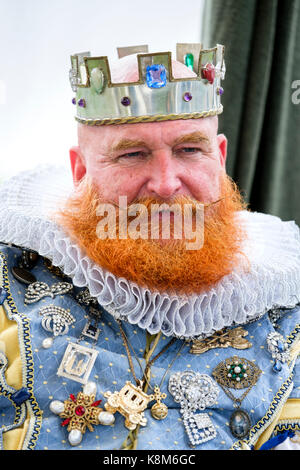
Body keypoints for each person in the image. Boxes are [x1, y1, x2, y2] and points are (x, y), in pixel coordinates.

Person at [0, 43, 299, 451]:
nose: (165, 183)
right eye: (133, 154)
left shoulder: (285, 311)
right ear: (81, 171)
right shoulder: (9, 280)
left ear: (220, 157)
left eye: (190, 150)